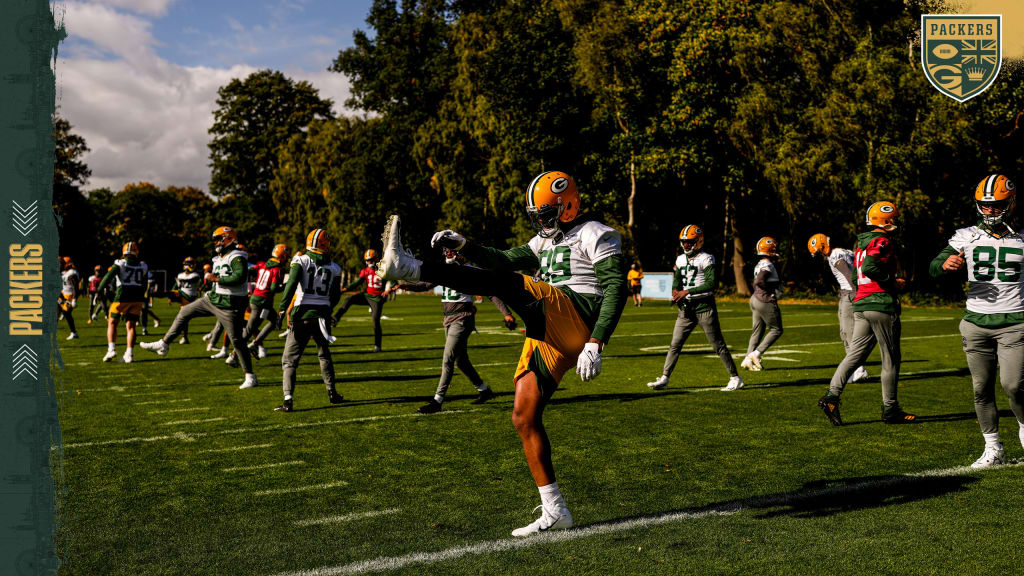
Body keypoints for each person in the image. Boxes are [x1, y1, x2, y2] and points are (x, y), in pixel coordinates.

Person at [377, 170, 627, 537]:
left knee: (512, 284)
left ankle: (411, 267)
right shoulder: (545, 241)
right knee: (524, 416)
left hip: (576, 315)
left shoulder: (595, 233)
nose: (540, 220)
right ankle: (556, 510)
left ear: (567, 204)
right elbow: (500, 259)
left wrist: (597, 340)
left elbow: (615, 287)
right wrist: (466, 245)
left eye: (545, 212)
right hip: (549, 324)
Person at [929, 174, 1024, 467]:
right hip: (975, 323)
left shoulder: (1022, 237)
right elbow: (933, 267)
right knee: (980, 388)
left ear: (1010, 202)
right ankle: (993, 447)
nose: (990, 211)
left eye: (996, 205)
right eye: (985, 205)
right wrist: (945, 265)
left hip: (1015, 321)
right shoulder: (965, 235)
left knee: (1014, 385)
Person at [818, 201, 916, 426]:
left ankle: (832, 397)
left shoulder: (861, 243)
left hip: (861, 304)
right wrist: (893, 282)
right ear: (887, 221)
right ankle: (890, 408)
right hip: (880, 303)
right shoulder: (881, 241)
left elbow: (855, 277)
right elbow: (871, 268)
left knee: (854, 355)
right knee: (890, 359)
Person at [397, 247, 518, 414]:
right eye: (446, 250)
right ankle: (484, 390)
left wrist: (507, 314)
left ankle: (437, 400)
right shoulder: (446, 269)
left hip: (462, 318)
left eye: (451, 250)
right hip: (448, 319)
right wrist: (408, 286)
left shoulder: (470, 270)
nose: (448, 254)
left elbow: (491, 292)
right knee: (461, 361)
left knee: (448, 359)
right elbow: (426, 284)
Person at [139, 226, 258, 390]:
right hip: (213, 299)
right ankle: (164, 343)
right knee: (184, 311)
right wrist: (213, 283)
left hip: (230, 305)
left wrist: (216, 279)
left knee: (237, 340)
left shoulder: (237, 257)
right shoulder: (218, 258)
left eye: (219, 238)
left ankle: (250, 376)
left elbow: (240, 277)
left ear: (229, 238)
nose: (215, 242)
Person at [647, 225, 743, 391]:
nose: (685, 245)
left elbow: (712, 284)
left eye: (689, 242)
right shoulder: (680, 259)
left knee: (717, 345)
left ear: (698, 241)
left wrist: (687, 291)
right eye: (684, 242)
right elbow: (677, 280)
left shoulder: (706, 258)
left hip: (704, 307)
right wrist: (675, 292)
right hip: (686, 309)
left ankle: (735, 377)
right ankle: (665, 378)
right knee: (675, 345)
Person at [275, 229, 344, 412]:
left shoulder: (301, 260)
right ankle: (332, 393)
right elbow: (336, 295)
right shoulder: (335, 267)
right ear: (326, 244)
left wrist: (282, 309)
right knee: (324, 355)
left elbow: (291, 286)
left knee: (290, 360)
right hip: (322, 316)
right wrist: (327, 307)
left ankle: (288, 400)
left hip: (302, 314)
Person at [808, 234, 869, 383]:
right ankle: (856, 368)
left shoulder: (835, 255)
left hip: (850, 294)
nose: (820, 254)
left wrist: (857, 294)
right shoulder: (844, 251)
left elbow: (848, 275)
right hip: (851, 293)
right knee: (848, 333)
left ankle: (857, 369)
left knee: (848, 333)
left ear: (823, 245)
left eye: (818, 251)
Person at [97, 242, 149, 363]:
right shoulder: (143, 266)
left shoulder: (120, 263)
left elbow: (107, 277)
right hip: (137, 298)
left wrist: (99, 290)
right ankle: (129, 354)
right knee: (131, 326)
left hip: (122, 296)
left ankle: (111, 349)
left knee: (112, 322)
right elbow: (145, 284)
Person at [332, 248, 390, 352]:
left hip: (377, 298)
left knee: (375, 321)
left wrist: (388, 290)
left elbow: (393, 281)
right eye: (368, 260)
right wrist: (345, 289)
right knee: (349, 299)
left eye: (371, 260)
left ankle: (378, 346)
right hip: (367, 295)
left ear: (376, 259)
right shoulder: (366, 271)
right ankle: (336, 318)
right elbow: (357, 282)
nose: (369, 262)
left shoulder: (384, 269)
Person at [741, 237, 784, 371]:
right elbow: (759, 281)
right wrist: (769, 291)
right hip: (764, 300)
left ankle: (747, 359)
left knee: (757, 332)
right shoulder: (768, 265)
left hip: (755, 299)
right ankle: (756, 353)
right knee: (776, 330)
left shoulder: (759, 263)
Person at [244, 244, 289, 359]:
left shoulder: (263, 264)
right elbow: (273, 288)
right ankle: (236, 353)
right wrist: (285, 286)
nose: (287, 259)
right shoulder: (278, 269)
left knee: (268, 322)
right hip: (262, 301)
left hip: (255, 298)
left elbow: (250, 270)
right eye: (286, 257)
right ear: (282, 256)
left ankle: (255, 344)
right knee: (250, 329)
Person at [168, 257, 203, 344]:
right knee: (184, 318)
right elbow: (176, 286)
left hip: (191, 297)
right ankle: (184, 337)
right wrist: (171, 297)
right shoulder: (181, 275)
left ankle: (184, 337)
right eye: (189, 263)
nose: (191, 265)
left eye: (191, 263)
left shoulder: (195, 275)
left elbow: (191, 280)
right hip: (183, 296)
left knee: (184, 318)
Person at [59, 257, 80, 340]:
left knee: (66, 312)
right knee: (65, 311)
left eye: (63, 264)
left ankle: (74, 332)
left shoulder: (72, 273)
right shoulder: (65, 272)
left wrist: (74, 299)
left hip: (70, 295)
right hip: (64, 294)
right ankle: (73, 332)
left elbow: (76, 287)